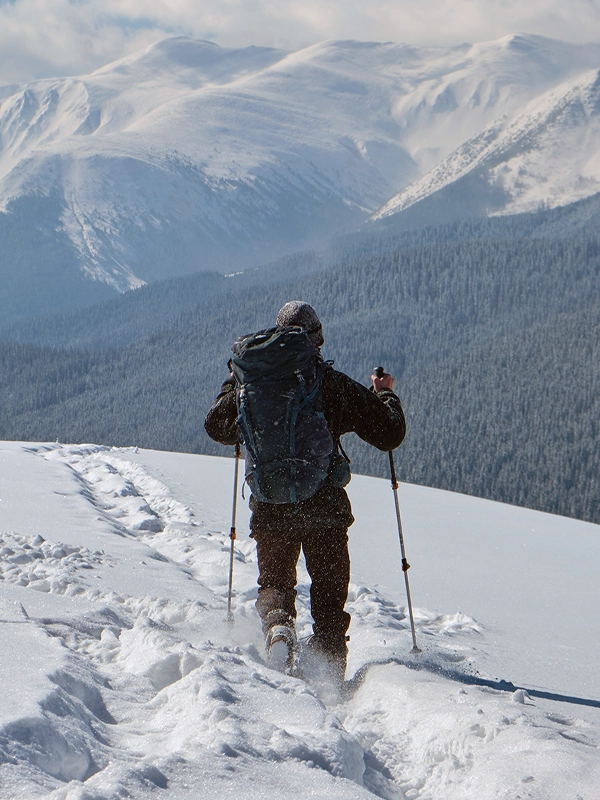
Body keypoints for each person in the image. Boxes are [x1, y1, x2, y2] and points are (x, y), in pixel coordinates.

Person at [204, 301, 406, 684]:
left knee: (276, 584)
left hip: (271, 507)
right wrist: (385, 395)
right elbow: (389, 432)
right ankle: (328, 673)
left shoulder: (254, 387)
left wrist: (237, 384)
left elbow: (216, 425)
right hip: (325, 509)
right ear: (316, 341)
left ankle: (279, 628)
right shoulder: (330, 385)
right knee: (329, 600)